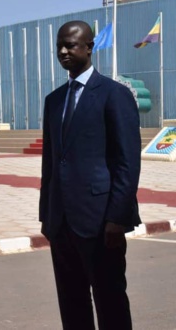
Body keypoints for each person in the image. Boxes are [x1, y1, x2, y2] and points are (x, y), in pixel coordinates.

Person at [39, 21, 141, 330]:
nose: (63, 51)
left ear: (89, 47)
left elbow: (127, 161)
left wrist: (117, 218)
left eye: (70, 45)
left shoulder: (114, 94)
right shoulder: (54, 101)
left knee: (110, 302)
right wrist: (47, 216)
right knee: (72, 303)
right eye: (59, 45)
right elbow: (51, 164)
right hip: (61, 222)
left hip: (101, 222)